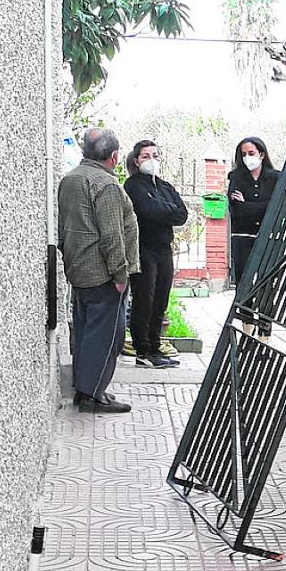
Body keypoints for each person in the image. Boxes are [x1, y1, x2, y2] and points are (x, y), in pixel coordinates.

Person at [57, 127, 140, 414]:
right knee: (107, 336)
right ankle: (94, 394)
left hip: (78, 270)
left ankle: (84, 389)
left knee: (85, 332)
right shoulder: (107, 185)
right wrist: (120, 275)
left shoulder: (70, 179)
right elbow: (113, 235)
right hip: (102, 274)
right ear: (115, 156)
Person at [123, 140, 188, 369]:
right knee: (145, 299)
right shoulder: (133, 185)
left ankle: (155, 345)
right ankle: (142, 349)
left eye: (155, 155)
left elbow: (181, 214)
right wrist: (164, 210)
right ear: (136, 160)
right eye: (145, 156)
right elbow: (147, 210)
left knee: (160, 299)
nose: (151, 160)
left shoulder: (164, 186)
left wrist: (162, 209)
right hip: (143, 249)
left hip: (163, 249)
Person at [228, 136, 279, 336]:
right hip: (243, 237)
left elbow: (277, 208)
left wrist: (248, 205)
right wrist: (259, 207)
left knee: (267, 285)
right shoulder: (236, 178)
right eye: (244, 154)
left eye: (251, 153)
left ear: (262, 154)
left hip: (269, 238)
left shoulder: (276, 177)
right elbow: (237, 210)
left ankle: (265, 334)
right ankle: (247, 330)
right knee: (244, 284)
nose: (248, 158)